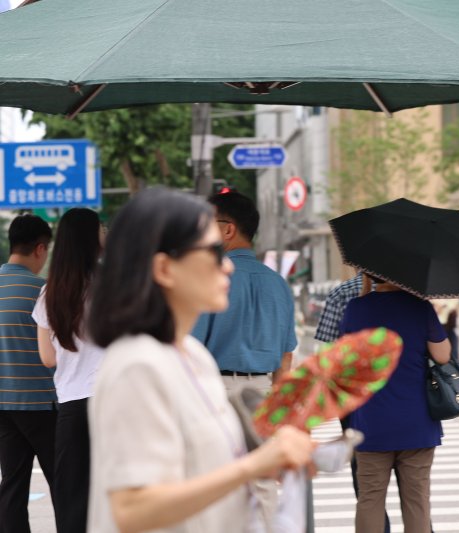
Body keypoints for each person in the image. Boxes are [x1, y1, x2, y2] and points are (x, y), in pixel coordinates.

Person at [85, 187, 315, 533]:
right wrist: (252, 466)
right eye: (211, 252)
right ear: (164, 268)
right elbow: (131, 510)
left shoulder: (194, 357)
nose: (225, 265)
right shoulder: (137, 367)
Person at [341, 274, 451, 533]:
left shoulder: (356, 309)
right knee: (417, 501)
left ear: (368, 274)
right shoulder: (420, 307)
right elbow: (443, 356)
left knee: (370, 499)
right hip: (416, 421)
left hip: (371, 422)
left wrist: (365, 297)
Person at [33, 208, 105, 533]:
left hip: (72, 407)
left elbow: (47, 358)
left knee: (72, 499)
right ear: (94, 239)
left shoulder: (51, 293)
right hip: (114, 402)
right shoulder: (113, 286)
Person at [192, 190, 297, 390]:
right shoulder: (279, 284)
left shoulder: (211, 278)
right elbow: (286, 357)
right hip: (263, 389)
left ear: (228, 231)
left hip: (217, 390)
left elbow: (191, 350)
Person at [314, 273, 394, 533]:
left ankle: (379, 527)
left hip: (355, 397)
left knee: (366, 478)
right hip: (404, 395)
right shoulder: (410, 292)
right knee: (413, 483)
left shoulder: (341, 294)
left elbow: (326, 354)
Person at [0, 215, 55, 533]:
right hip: (43, 404)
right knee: (63, 484)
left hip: (4, 406)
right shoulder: (43, 291)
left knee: (12, 486)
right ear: (39, 248)